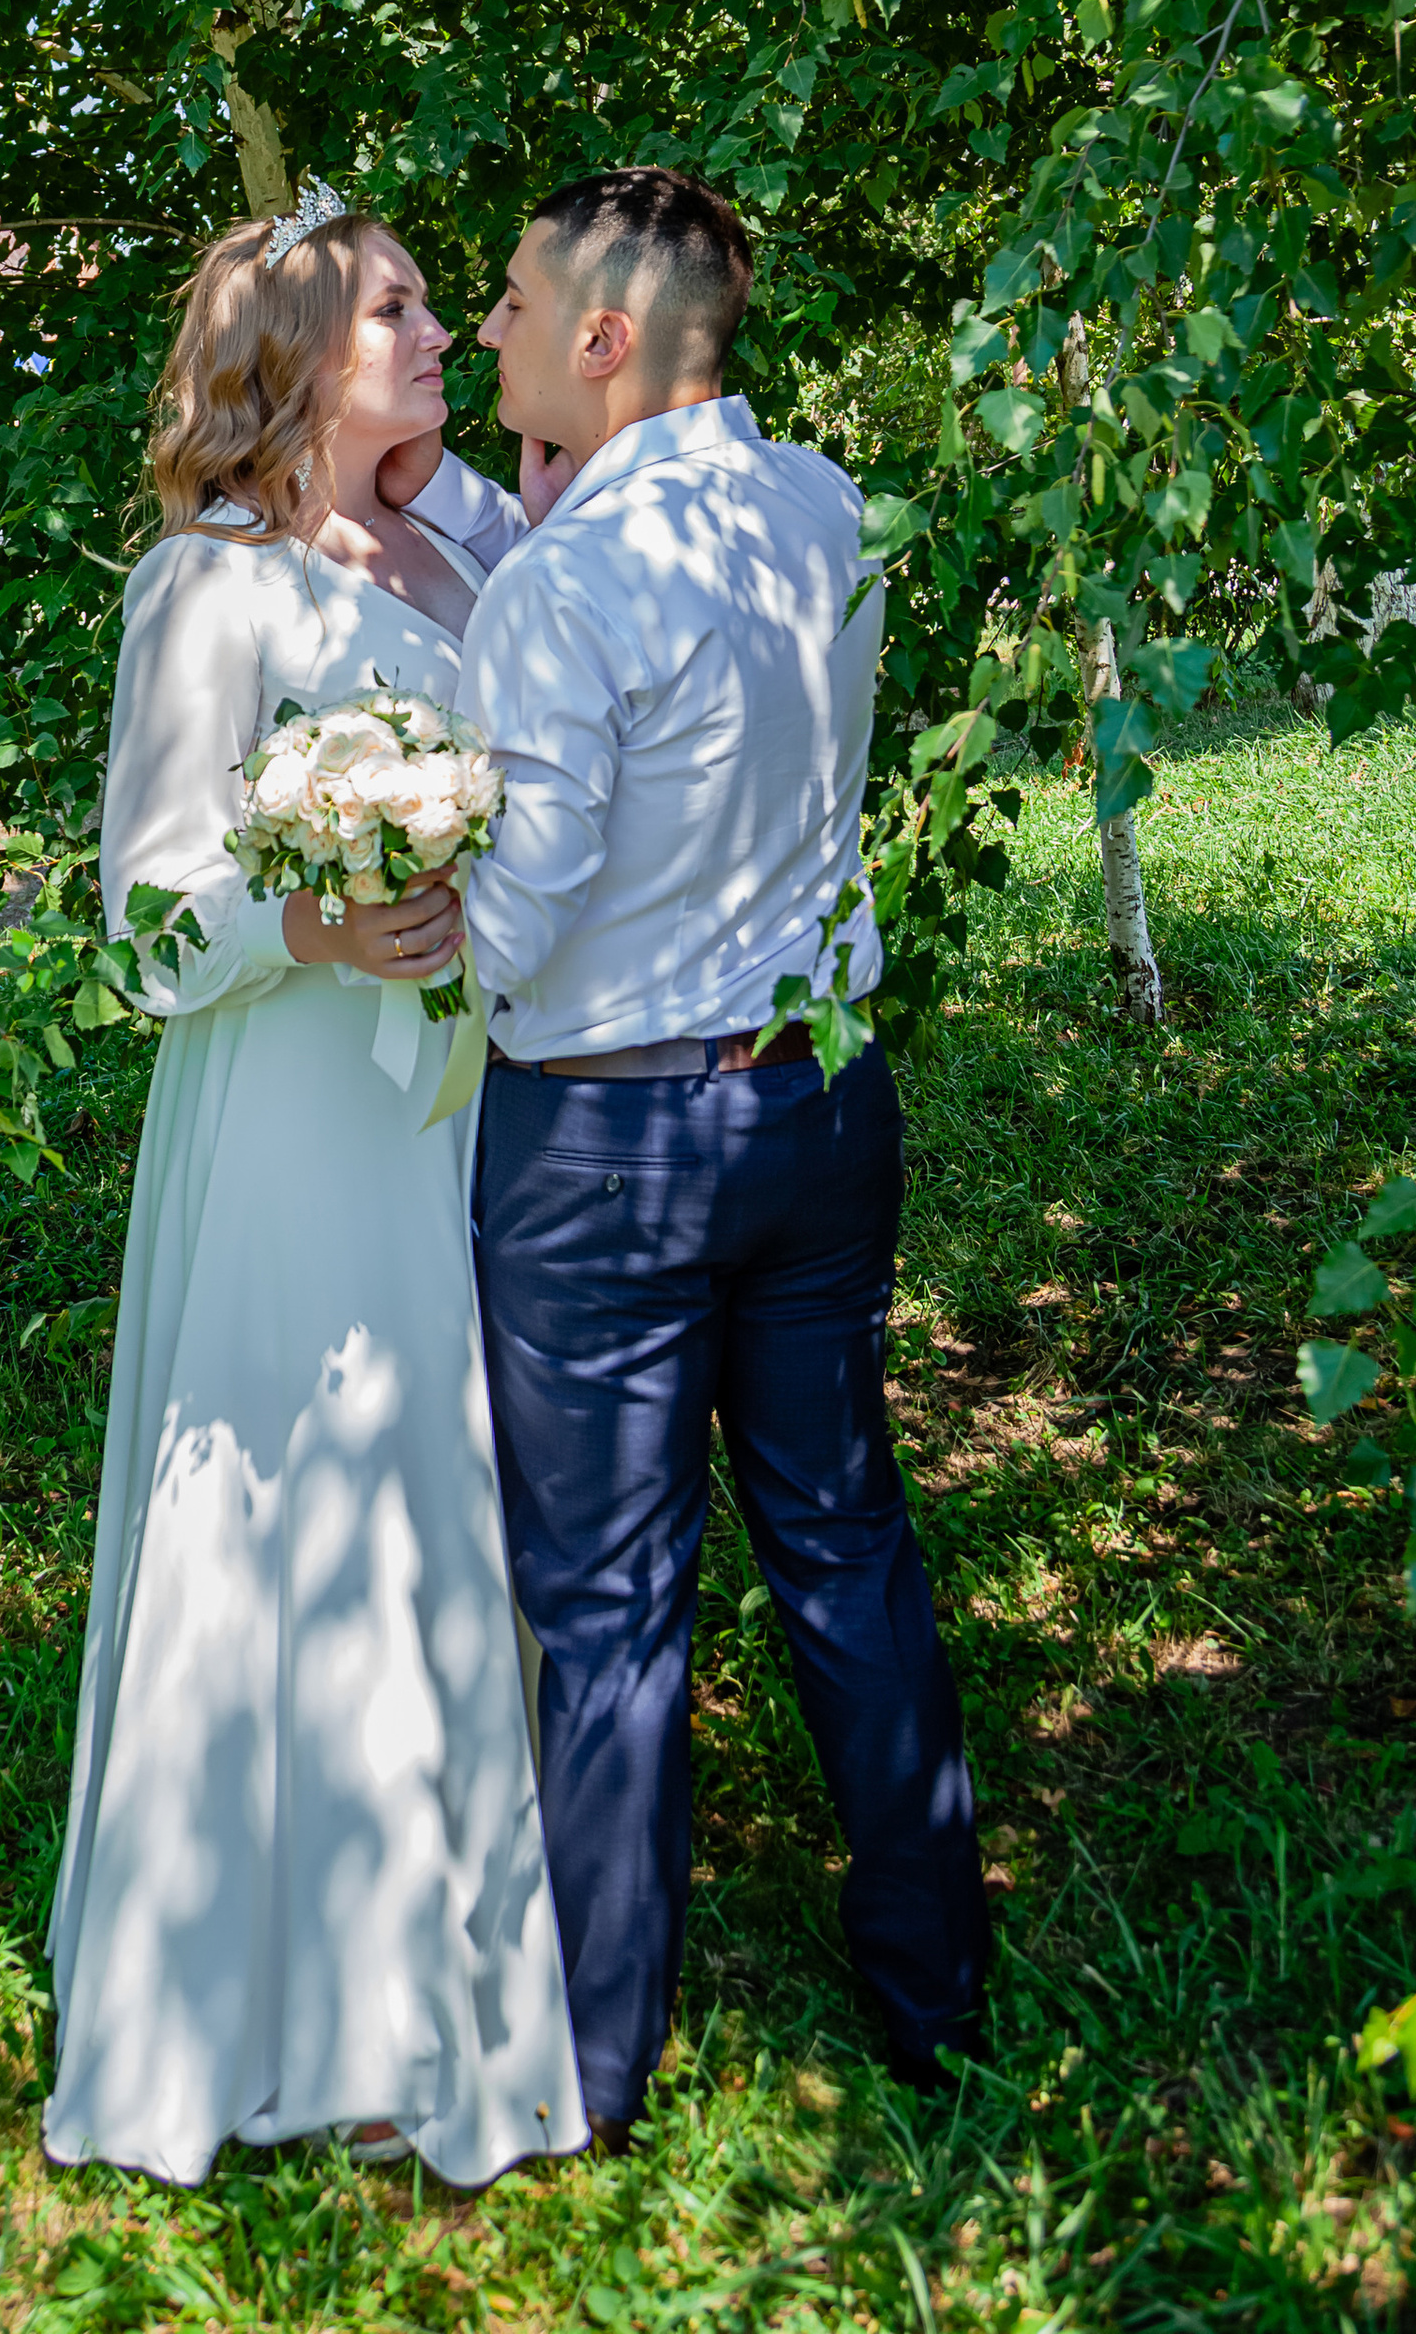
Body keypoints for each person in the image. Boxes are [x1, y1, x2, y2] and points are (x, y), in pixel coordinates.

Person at [398, 168, 990, 2138]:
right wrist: (468, 515)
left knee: (607, 1607)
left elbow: (529, 916)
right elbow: (669, 652)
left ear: (598, 341)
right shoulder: (821, 505)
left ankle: (591, 2063)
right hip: (819, 1108)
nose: (475, 332)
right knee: (842, 1542)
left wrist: (398, 910)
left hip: (605, 1147)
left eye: (498, 304)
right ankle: (932, 1995)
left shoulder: (566, 589)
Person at [42, 185, 587, 2191]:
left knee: (429, 1507)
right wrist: (309, 918)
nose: (439, 330)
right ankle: (263, 2019)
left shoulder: (461, 547)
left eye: (440, 305)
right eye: (396, 310)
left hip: (451, 1110)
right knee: (287, 1509)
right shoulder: (210, 590)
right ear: (290, 359)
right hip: (288, 1111)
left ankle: (418, 2005)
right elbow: (139, 920)